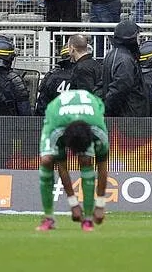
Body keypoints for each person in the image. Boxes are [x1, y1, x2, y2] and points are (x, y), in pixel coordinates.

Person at [36, 89, 111, 232]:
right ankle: (48, 218)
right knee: (47, 160)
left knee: (86, 160)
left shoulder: (98, 130)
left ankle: (88, 219)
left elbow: (102, 166)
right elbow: (62, 166)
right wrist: (73, 203)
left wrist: (101, 205)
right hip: (57, 113)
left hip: (90, 110)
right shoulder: (56, 128)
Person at [101, 19, 150, 116]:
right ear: (130, 38)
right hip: (128, 117)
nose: (139, 37)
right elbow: (119, 89)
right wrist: (106, 110)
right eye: (137, 34)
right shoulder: (125, 59)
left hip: (124, 115)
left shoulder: (113, 54)